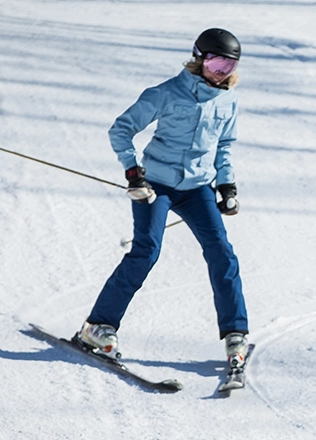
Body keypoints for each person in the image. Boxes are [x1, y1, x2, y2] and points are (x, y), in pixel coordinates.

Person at [76, 28, 250, 369]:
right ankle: (98, 326)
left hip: (198, 188)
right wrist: (132, 171)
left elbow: (224, 146)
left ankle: (235, 332)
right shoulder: (167, 93)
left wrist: (226, 186)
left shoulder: (228, 100)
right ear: (199, 59)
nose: (220, 73)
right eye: (215, 63)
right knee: (146, 251)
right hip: (155, 185)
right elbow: (121, 129)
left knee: (222, 253)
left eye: (228, 66)